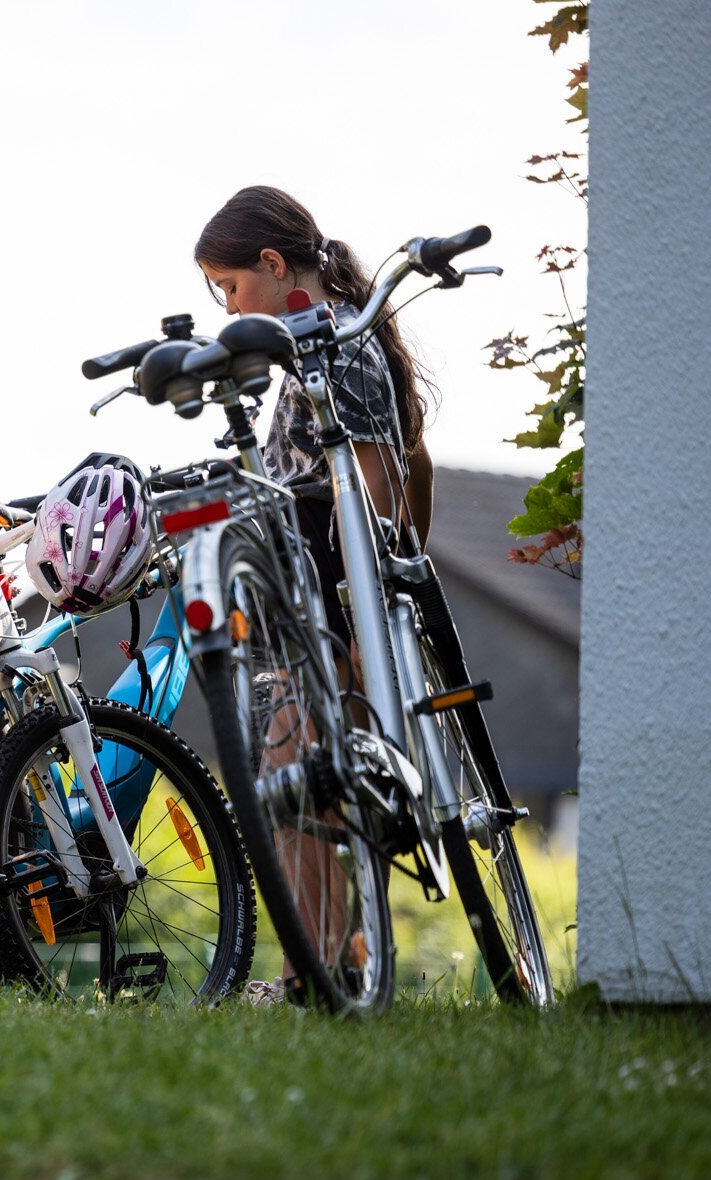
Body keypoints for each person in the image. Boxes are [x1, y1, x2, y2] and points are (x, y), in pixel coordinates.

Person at [193, 185, 438, 1001]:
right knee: (313, 784)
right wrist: (408, 562)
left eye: (230, 287)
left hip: (328, 597)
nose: (230, 309)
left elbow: (370, 489)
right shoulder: (327, 340)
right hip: (320, 594)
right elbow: (416, 462)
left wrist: (373, 615)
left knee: (292, 778)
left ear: (272, 263)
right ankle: (341, 959)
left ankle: (314, 972)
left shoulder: (333, 346)